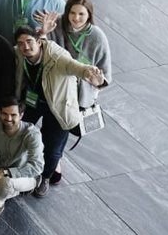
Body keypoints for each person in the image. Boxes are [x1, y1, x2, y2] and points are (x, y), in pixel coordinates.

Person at [12, 26, 105, 198]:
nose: (25, 47)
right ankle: (19, 164)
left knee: (52, 148)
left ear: (39, 42)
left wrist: (92, 76)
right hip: (33, 100)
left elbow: (75, 66)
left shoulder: (57, 56)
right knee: (19, 131)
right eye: (21, 43)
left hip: (58, 106)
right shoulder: (19, 53)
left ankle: (45, 177)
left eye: (29, 42)